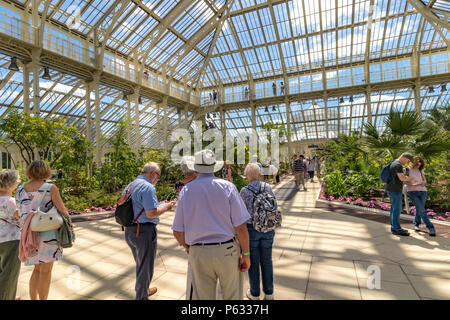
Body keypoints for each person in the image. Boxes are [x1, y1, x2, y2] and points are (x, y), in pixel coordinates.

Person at [172, 149, 251, 300]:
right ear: (214, 166)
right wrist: (246, 254)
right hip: (227, 250)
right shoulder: (227, 187)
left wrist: (189, 248)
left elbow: (178, 231)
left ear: (195, 168)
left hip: (199, 253)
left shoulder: (186, 191)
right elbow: (240, 227)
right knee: (232, 297)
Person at [16, 160, 73, 300]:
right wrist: (70, 227)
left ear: (30, 171)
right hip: (48, 235)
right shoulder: (50, 187)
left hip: (29, 235)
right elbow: (62, 210)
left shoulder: (21, 189)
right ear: (46, 171)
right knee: (46, 272)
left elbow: (20, 211)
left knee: (37, 269)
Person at [122, 162, 175, 300]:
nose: (158, 179)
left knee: (140, 264)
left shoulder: (130, 185)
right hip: (143, 232)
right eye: (158, 175)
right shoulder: (148, 187)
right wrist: (167, 207)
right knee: (145, 267)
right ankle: (141, 297)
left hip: (129, 231)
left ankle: (143, 290)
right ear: (152, 173)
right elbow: (151, 213)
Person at [240, 163, 276, 300]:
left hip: (251, 229)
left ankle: (254, 293)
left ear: (248, 175)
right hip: (267, 227)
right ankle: (269, 293)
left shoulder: (244, 191)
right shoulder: (268, 187)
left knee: (253, 261)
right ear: (259, 174)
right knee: (267, 260)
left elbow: (239, 212)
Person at [385, 153, 418, 236]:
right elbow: (402, 178)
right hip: (395, 190)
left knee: (394, 208)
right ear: (404, 158)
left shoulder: (393, 163)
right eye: (408, 160)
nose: (408, 162)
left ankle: (394, 227)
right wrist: (412, 178)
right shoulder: (398, 165)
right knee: (396, 209)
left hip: (391, 189)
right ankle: (397, 229)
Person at [0, 169, 21, 300]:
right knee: (9, 273)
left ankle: (9, 295)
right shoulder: (10, 202)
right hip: (11, 240)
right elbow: (21, 217)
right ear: (12, 184)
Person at [405, 156, 436, 236]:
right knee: (421, 210)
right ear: (413, 163)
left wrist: (424, 183)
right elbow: (404, 181)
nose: (418, 166)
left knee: (420, 209)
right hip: (412, 192)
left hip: (423, 191)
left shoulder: (420, 169)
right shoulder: (406, 169)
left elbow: (424, 179)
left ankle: (416, 224)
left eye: (420, 165)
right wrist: (412, 184)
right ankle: (431, 227)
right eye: (417, 164)